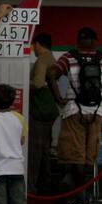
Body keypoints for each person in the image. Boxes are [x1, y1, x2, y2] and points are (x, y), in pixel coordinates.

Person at [48, 28, 102, 204]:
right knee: (88, 157)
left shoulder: (68, 57)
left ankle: (77, 195)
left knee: (73, 156)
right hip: (98, 112)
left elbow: (50, 74)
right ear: (95, 41)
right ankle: (81, 195)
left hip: (73, 110)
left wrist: (59, 98)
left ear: (78, 40)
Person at [27, 33, 62, 193]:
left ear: (39, 44)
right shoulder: (52, 58)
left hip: (40, 109)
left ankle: (32, 185)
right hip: (49, 109)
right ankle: (44, 183)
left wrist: (21, 84)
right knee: (45, 149)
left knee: (36, 149)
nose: (33, 48)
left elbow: (38, 83)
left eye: (34, 45)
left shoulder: (42, 60)